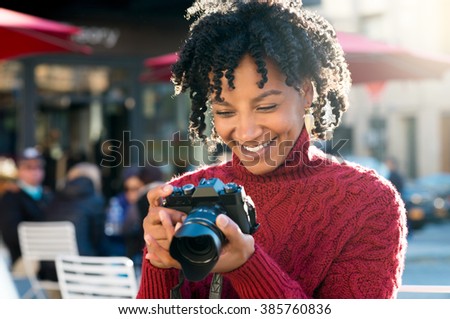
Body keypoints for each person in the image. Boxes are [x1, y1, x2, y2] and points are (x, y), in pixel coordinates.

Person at [137, 0, 407, 299]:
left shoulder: (368, 201)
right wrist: (159, 262)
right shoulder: (182, 196)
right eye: (225, 112)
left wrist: (247, 266)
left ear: (306, 92)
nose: (247, 131)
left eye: (266, 106)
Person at [39, 162, 107, 281]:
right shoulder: (95, 201)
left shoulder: (54, 199)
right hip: (81, 268)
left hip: (49, 268)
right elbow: (98, 240)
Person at [0, 147, 52, 269]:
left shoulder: (48, 195)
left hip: (50, 257)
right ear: (19, 170)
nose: (35, 172)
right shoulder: (11, 197)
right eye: (29, 167)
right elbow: (11, 235)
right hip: (25, 259)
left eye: (38, 167)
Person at [104, 165, 163, 257]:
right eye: (127, 189)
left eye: (135, 189)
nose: (130, 194)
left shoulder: (148, 201)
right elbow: (115, 229)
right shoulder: (119, 201)